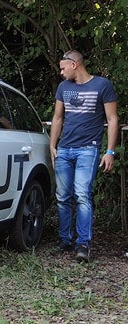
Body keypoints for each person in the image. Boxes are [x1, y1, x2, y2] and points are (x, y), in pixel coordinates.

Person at [50, 50, 119, 262]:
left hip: (88, 149)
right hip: (65, 149)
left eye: (63, 68)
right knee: (62, 197)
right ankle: (65, 240)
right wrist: (53, 146)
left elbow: (113, 119)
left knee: (82, 195)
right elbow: (58, 118)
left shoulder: (102, 85)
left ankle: (83, 244)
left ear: (74, 65)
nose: (61, 72)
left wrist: (109, 151)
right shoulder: (64, 87)